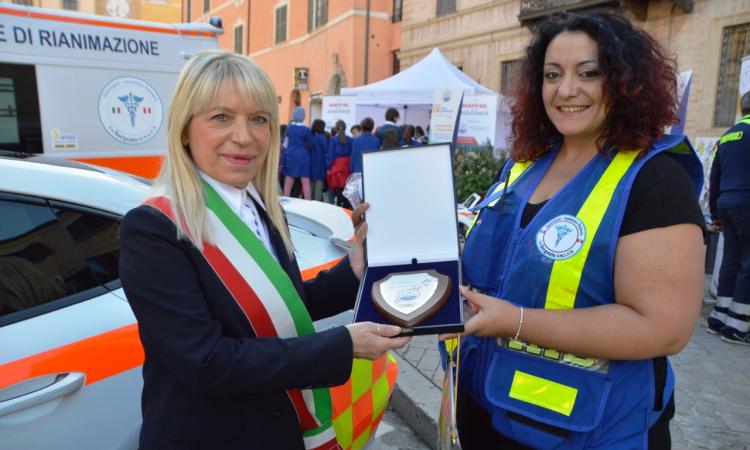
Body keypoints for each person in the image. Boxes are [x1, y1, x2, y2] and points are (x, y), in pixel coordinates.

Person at [119, 50, 410, 450]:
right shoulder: (153, 228)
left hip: (279, 428)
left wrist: (354, 271)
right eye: (221, 117)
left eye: (258, 119)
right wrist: (344, 344)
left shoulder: (257, 204)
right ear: (184, 128)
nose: (245, 136)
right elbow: (208, 362)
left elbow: (280, 306)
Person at [453, 11, 704, 449]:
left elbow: (664, 328)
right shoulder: (525, 165)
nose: (566, 90)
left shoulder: (655, 180)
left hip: (588, 428)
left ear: (625, 81)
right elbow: (498, 266)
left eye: (588, 73)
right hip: (485, 407)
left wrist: (515, 322)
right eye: (552, 75)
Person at [707, 92, 750, 345]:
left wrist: (715, 212)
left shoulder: (728, 135)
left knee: (731, 261)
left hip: (726, 203)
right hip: (747, 202)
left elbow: (715, 176)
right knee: (748, 263)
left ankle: (718, 318)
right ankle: (737, 326)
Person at [283, 106, 312, 199]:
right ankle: (308, 202)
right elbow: (309, 143)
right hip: (303, 155)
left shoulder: (289, 128)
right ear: (303, 116)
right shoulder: (306, 129)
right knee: (305, 181)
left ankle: (285, 199)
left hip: (291, 154)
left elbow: (285, 143)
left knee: (289, 180)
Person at [326, 119, 353, 208]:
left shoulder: (333, 139)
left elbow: (330, 154)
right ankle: (346, 206)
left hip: (336, 165)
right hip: (347, 165)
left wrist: (328, 166)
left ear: (336, 128)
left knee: (337, 187)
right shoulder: (350, 139)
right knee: (346, 186)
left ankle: (338, 205)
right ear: (345, 128)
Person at [310, 118, 328, 202]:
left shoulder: (311, 137)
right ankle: (316, 203)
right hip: (320, 163)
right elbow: (325, 149)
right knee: (319, 185)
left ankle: (309, 201)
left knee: (311, 184)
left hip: (310, 163)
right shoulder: (322, 138)